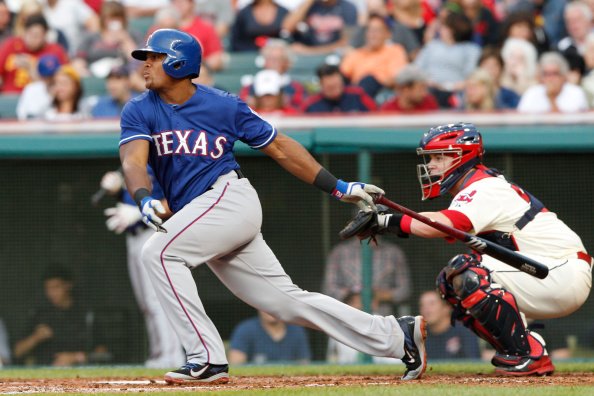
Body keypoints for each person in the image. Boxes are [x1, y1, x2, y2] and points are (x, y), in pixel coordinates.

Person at [119, 28, 426, 384]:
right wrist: (142, 196)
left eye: (153, 58)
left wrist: (339, 187)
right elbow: (133, 162)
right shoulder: (140, 109)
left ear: (178, 62)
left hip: (227, 199)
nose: (145, 66)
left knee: (158, 253)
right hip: (201, 214)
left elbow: (279, 147)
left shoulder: (221, 104)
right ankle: (394, 335)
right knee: (285, 302)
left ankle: (206, 359)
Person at [342, 122, 592, 376]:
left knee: (467, 271)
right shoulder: (478, 187)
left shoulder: (484, 187)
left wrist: (386, 221)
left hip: (559, 272)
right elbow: (441, 222)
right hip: (544, 272)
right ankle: (520, 350)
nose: (430, 165)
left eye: (439, 156)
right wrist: (388, 220)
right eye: (430, 158)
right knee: (449, 282)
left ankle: (527, 354)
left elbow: (439, 225)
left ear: (463, 157)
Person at [99, 167, 185, 368]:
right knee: (146, 303)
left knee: (158, 299)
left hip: (156, 232)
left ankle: (172, 355)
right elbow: (130, 195)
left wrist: (141, 213)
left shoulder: (163, 160)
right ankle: (159, 353)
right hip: (134, 237)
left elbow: (180, 200)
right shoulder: (133, 158)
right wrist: (117, 189)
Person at [13, 265, 93, 366]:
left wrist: (75, 357)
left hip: (79, 375)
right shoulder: (39, 314)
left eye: (56, 287)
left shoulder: (85, 314)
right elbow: (17, 352)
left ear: (68, 285)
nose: (52, 293)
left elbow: (102, 353)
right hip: (44, 374)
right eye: (48, 288)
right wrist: (36, 337)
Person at [322, 235, 411, 317]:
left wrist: (380, 295)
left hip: (382, 317)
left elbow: (405, 290)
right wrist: (353, 296)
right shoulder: (340, 252)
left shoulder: (393, 252)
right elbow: (328, 289)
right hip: (347, 316)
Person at [339, 13, 409, 98]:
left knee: (368, 80)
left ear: (388, 34)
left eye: (377, 30)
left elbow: (395, 79)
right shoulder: (356, 53)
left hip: (382, 91)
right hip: (356, 91)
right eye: (370, 30)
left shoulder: (395, 50)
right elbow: (342, 76)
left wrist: (373, 77)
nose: (373, 34)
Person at [0, 13, 68, 93]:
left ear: (45, 35)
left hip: (40, 98)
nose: (32, 39)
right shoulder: (11, 45)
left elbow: (60, 83)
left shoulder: (55, 51)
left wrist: (31, 68)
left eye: (36, 35)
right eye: (29, 34)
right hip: (9, 97)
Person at [239, 39, 306, 110]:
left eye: (278, 59)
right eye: (269, 59)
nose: (273, 63)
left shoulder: (296, 88)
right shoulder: (249, 88)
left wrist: (285, 105)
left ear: (287, 62)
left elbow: (302, 111)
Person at [228, 310, 311, 365]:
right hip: (256, 384)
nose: (270, 310)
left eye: (274, 306)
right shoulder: (245, 329)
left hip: (289, 381)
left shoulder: (296, 330)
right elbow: (236, 364)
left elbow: (303, 363)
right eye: (266, 305)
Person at [517, 51, 589, 113]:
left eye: (555, 74)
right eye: (546, 74)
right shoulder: (532, 93)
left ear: (563, 76)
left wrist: (552, 99)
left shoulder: (576, 93)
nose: (550, 79)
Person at [419, 290, 480, 360]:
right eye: (422, 305)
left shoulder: (465, 332)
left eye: (432, 304)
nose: (426, 310)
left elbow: (474, 364)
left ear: (446, 308)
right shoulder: (420, 338)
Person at [281, 0, 358, 55]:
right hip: (307, 52)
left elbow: (346, 42)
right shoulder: (311, 5)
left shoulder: (348, 7)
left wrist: (311, 51)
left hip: (332, 54)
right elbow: (287, 28)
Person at [302, 63, 377, 113]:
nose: (335, 91)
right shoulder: (311, 104)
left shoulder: (357, 95)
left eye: (338, 85)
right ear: (321, 85)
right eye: (330, 87)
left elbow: (377, 114)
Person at [16, 53, 61, 120]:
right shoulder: (32, 89)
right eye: (47, 76)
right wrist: (50, 97)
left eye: (53, 74)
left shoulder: (65, 88)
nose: (51, 78)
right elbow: (28, 114)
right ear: (41, 75)